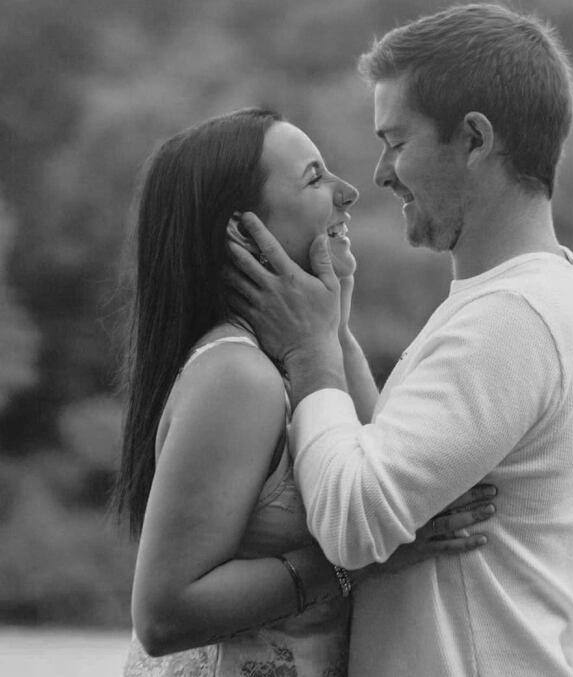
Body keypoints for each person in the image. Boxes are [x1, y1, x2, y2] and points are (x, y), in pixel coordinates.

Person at [226, 4, 573, 677]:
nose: (380, 172)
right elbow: (394, 458)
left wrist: (309, 354)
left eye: (397, 140)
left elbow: (354, 519)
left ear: (474, 138)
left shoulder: (512, 318)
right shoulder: (559, 295)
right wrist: (335, 340)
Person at [114, 107, 496, 677]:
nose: (348, 193)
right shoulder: (238, 378)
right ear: (243, 231)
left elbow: (379, 480)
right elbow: (164, 615)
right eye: (316, 179)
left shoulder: (297, 362)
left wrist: (331, 329)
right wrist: (357, 564)